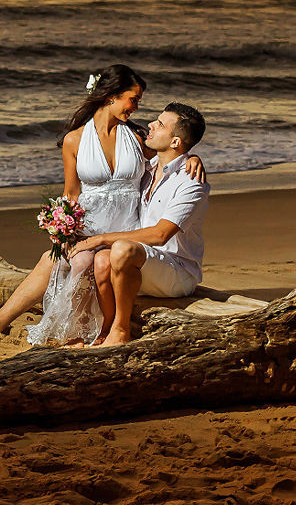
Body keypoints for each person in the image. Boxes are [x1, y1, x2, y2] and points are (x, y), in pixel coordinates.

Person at [0, 66, 203, 341]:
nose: (137, 106)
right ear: (111, 96)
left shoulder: (139, 138)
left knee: (90, 261)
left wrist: (193, 158)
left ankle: (99, 332)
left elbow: (172, 152)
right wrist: (61, 229)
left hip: (126, 234)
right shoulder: (74, 140)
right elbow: (71, 193)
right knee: (55, 257)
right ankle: (0, 322)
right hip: (91, 228)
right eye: (134, 98)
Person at [76, 102, 210, 347]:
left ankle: (121, 329)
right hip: (145, 263)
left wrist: (101, 238)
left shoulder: (191, 182)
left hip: (177, 271)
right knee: (102, 260)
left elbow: (161, 235)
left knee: (120, 249)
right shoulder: (146, 170)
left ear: (175, 143)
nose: (151, 125)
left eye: (160, 125)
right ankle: (105, 329)